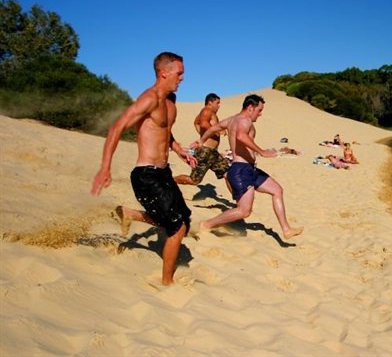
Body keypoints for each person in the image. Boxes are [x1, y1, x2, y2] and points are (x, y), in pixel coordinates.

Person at [91, 52, 196, 286]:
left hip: (164, 172)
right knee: (176, 227)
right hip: (146, 175)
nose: (182, 78)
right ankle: (167, 283)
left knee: (184, 222)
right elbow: (116, 129)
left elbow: (165, 131)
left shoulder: (171, 101)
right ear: (163, 73)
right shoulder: (150, 98)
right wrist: (104, 168)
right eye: (179, 73)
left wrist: (178, 149)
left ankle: (128, 213)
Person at [190, 94, 304, 240]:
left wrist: (201, 140)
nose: (260, 114)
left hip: (250, 169)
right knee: (244, 211)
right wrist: (262, 152)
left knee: (277, 190)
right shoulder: (245, 120)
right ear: (250, 108)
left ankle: (286, 229)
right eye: (259, 110)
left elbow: (214, 128)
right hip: (240, 170)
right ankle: (205, 225)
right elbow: (241, 136)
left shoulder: (232, 119)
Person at [173, 92, 230, 186]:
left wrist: (203, 134)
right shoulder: (207, 111)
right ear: (210, 102)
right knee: (194, 180)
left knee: (228, 174)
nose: (219, 106)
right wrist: (217, 131)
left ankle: (238, 200)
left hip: (213, 152)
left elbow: (196, 123)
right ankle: (170, 181)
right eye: (217, 103)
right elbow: (203, 123)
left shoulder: (208, 112)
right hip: (205, 152)